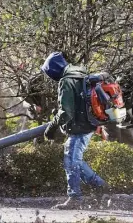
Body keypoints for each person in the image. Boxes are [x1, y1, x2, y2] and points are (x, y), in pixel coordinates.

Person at [40, 52, 109, 210]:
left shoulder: (66, 80)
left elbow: (66, 112)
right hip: (89, 124)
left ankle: (75, 198)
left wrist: (52, 127)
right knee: (74, 160)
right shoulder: (81, 72)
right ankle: (100, 186)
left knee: (71, 162)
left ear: (53, 70)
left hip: (79, 127)